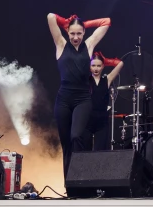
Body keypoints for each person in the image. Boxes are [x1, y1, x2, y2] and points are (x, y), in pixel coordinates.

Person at [47, 12, 111, 185]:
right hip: (63, 99)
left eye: (79, 33)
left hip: (82, 99)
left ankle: (80, 178)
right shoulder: (61, 44)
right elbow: (50, 16)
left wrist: (84, 23)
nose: (75, 37)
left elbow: (106, 21)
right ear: (67, 32)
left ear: (84, 33)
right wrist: (65, 23)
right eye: (72, 33)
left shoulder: (89, 45)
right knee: (66, 144)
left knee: (76, 136)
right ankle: (70, 186)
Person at [85, 51, 123, 151]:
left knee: (100, 151)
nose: (96, 68)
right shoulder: (85, 80)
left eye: (99, 66)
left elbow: (120, 63)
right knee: (85, 152)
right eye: (93, 65)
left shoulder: (107, 79)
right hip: (87, 120)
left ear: (103, 66)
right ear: (89, 67)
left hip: (102, 121)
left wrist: (105, 60)